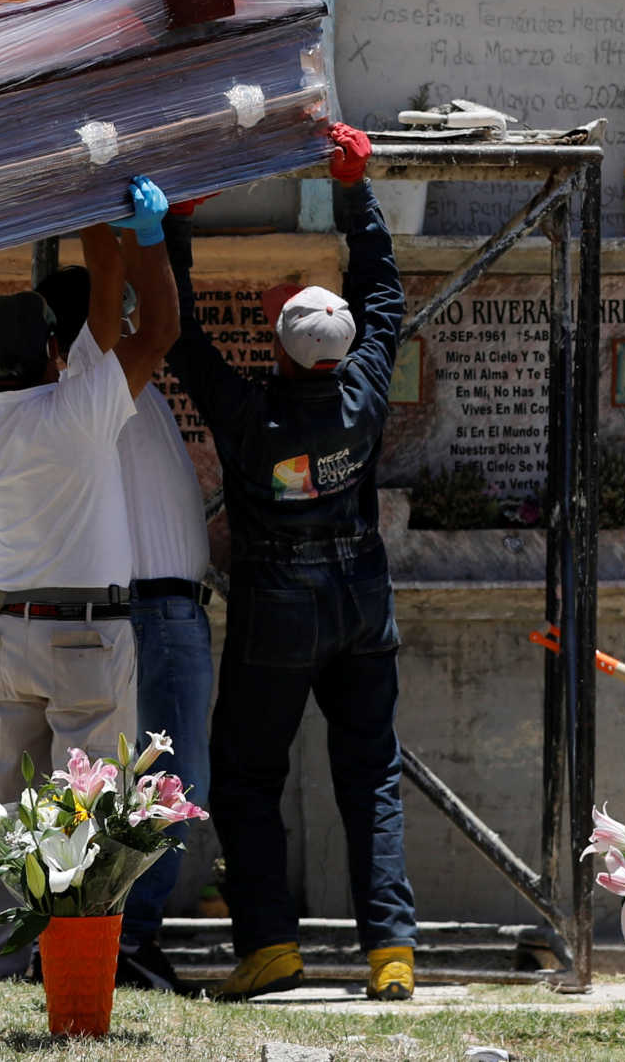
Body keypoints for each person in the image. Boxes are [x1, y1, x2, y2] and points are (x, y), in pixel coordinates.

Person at [165, 124, 419, 1004]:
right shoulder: (366, 388)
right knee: (370, 772)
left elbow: (180, 335)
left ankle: (269, 944)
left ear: (278, 347)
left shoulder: (247, 416)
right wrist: (356, 191)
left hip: (276, 606)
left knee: (245, 775)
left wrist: (174, 229)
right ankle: (390, 950)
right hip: (360, 601)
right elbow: (384, 292)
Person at [0, 182, 180, 982]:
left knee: (3, 801)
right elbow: (150, 323)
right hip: (87, 637)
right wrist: (105, 208)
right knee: (85, 810)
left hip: (12, 634)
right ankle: (72, 965)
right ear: (51, 349)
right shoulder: (80, 406)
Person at [34, 262, 213, 995]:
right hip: (153, 608)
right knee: (162, 786)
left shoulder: (106, 380)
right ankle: (128, 941)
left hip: (165, 607)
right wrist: (112, 226)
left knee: (163, 784)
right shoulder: (92, 376)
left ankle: (128, 938)